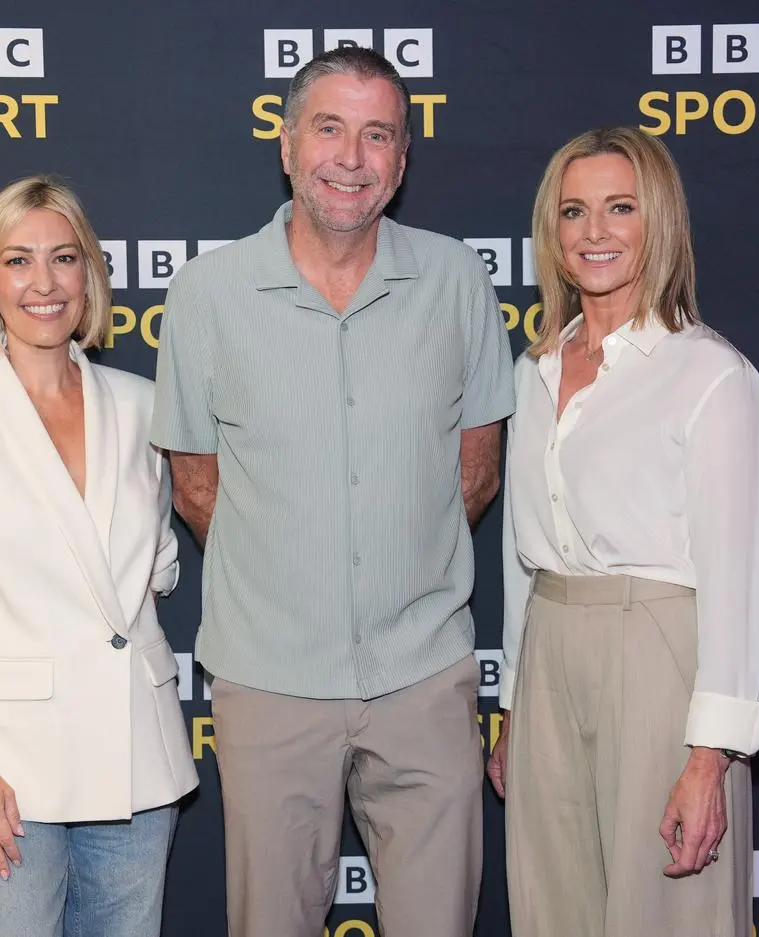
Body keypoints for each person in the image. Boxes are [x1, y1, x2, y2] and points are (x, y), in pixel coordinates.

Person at [151, 46, 515, 937]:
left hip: (425, 677)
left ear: (400, 160)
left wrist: (398, 555)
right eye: (329, 128)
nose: (351, 157)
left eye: (377, 134)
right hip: (270, 679)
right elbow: (197, 486)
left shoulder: (459, 281)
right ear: (285, 145)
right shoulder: (207, 294)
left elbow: (476, 470)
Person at [486, 127, 759, 937]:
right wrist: (514, 703)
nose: (595, 233)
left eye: (620, 208)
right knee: (552, 909)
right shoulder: (534, 369)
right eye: (574, 211)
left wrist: (710, 756)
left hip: (659, 656)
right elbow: (523, 558)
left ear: (658, 221)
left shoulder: (710, 373)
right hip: (550, 649)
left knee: (670, 913)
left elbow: (737, 581)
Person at [0, 175, 197, 937]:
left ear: (89, 276)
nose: (44, 283)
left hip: (135, 758)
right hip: (5, 765)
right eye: (17, 261)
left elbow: (154, 570)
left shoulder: (141, 403)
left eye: (64, 258)